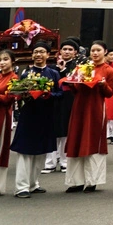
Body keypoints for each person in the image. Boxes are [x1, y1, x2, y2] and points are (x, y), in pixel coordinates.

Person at [62, 40, 113, 192]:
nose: (94, 53)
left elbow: (110, 92)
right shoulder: (81, 68)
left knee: (93, 140)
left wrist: (102, 85)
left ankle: (92, 180)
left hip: (96, 108)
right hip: (79, 107)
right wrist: (72, 83)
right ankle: (75, 181)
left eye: (98, 50)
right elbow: (75, 89)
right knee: (76, 139)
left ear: (105, 52)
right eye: (92, 50)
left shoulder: (108, 70)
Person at [10, 42, 60, 198]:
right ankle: (21, 187)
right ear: (32, 55)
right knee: (25, 152)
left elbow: (60, 94)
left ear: (48, 55)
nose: (38, 55)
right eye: (36, 52)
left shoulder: (54, 74)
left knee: (41, 152)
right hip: (29, 116)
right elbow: (18, 93)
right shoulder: (26, 74)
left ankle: (33, 183)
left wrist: (49, 95)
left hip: (45, 116)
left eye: (42, 52)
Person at [45, 38, 79, 174]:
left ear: (75, 52)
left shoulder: (77, 67)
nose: (67, 52)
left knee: (66, 130)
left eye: (70, 49)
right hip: (54, 100)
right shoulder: (52, 67)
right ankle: (50, 162)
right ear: (60, 51)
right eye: (64, 49)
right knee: (52, 130)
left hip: (69, 101)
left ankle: (65, 161)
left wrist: (64, 69)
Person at [0, 49, 18, 196]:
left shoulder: (14, 79)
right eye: (0, 59)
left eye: (5, 59)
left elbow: (7, 99)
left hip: (2, 117)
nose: (2, 62)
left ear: (12, 61)